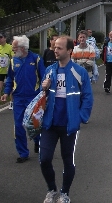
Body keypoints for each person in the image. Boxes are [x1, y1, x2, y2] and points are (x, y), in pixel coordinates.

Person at [40, 35, 93, 203]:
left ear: (70, 50)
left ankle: (64, 193)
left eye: (59, 48)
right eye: (55, 47)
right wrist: (43, 89)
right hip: (50, 123)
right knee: (44, 159)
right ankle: (52, 189)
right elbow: (41, 97)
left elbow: (87, 98)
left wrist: (80, 117)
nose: (55, 50)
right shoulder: (50, 71)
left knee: (67, 159)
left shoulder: (79, 72)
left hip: (69, 125)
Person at [1, 35, 46, 163]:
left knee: (35, 124)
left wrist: (44, 93)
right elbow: (10, 78)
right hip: (19, 98)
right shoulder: (12, 61)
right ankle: (23, 153)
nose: (12, 49)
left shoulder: (36, 59)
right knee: (19, 126)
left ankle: (38, 143)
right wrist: (6, 92)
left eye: (14, 47)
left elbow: (43, 77)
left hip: (34, 97)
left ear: (22, 47)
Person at [0, 33, 13, 113]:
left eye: (1, 38)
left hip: (8, 70)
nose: (0, 39)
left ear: (5, 38)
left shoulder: (10, 47)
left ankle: (12, 103)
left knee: (11, 87)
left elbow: (13, 58)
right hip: (0, 71)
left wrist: (12, 69)